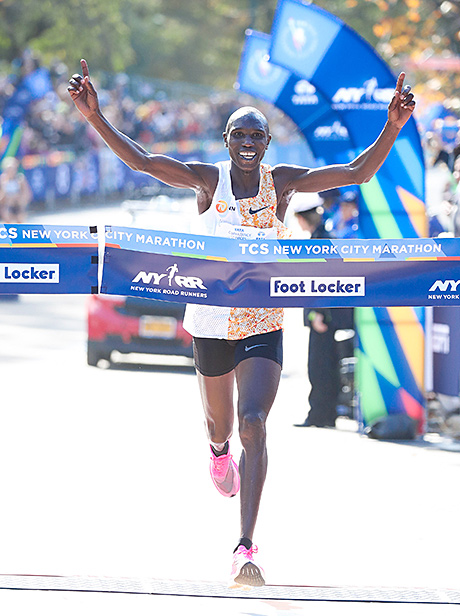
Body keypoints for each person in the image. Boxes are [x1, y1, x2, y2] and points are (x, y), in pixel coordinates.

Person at [68, 59, 415, 588]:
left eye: (258, 134)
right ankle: (216, 454)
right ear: (227, 141)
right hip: (210, 319)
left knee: (255, 421)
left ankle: (245, 547)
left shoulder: (284, 184)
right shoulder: (209, 181)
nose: (248, 142)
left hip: (263, 317)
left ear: (269, 141)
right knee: (222, 427)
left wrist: (392, 125)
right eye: (240, 134)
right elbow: (142, 161)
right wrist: (94, 115)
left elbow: (356, 173)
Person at [291, 197, 354, 428]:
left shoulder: (322, 240)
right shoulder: (324, 237)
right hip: (325, 316)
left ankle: (320, 415)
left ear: (301, 219)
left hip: (324, 318)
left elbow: (324, 279)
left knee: (320, 367)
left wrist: (318, 312)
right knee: (322, 366)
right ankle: (323, 414)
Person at [0, 156, 32, 223]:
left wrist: (19, 199)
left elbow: (27, 194)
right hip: (7, 205)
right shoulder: (2, 181)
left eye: (13, 169)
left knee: (19, 220)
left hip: (18, 205)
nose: (11, 171)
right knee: (7, 216)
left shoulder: (20, 179)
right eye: (9, 169)